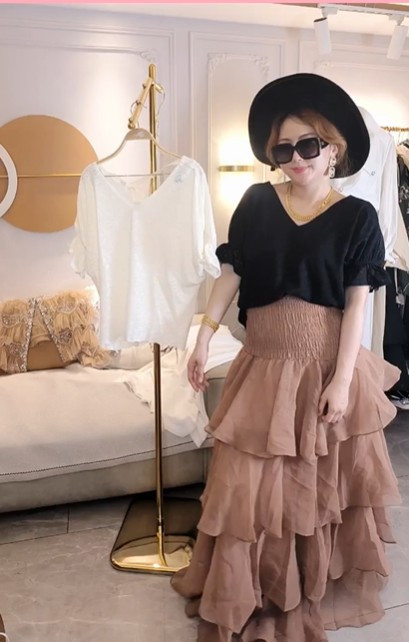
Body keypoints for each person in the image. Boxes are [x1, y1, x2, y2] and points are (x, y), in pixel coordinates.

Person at [171, 73, 402, 642]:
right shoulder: (255, 203)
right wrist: (202, 336)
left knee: (311, 485)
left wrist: (342, 381)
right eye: (283, 149)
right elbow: (231, 273)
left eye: (308, 145)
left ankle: (301, 583)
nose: (296, 158)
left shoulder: (358, 217)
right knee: (245, 486)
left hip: (323, 363)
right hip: (264, 360)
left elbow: (357, 305)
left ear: (333, 150)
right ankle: (245, 587)